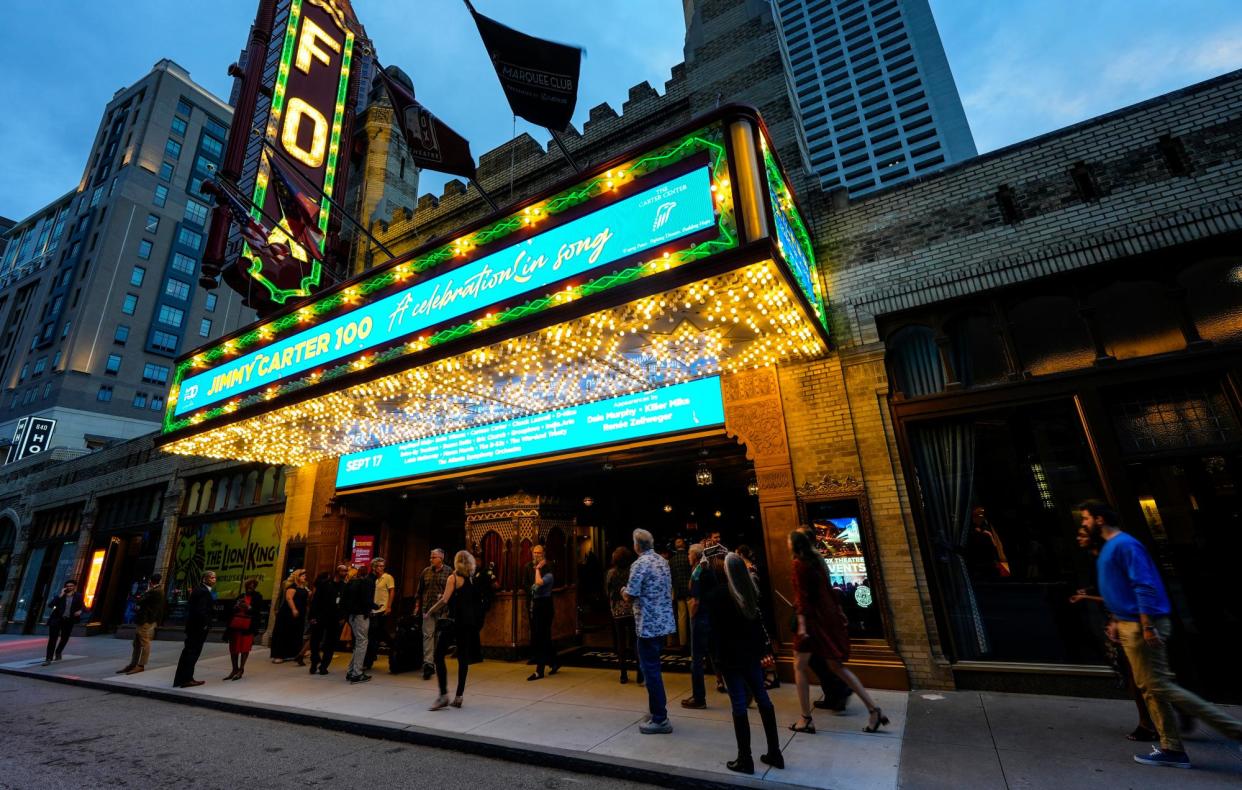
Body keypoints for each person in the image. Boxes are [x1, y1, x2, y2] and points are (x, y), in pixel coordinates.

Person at [1081, 500, 1242, 769]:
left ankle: (1234, 730)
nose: (1083, 524)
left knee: (1159, 687)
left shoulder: (1125, 545)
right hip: (1129, 623)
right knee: (1150, 688)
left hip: (1143, 625)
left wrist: (1146, 624)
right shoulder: (1111, 547)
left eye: (1086, 519)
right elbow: (1120, 588)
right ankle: (1172, 748)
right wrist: (1116, 619)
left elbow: (1143, 585)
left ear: (1099, 520)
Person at [788, 530, 887, 734]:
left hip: (813, 621)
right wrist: (839, 612)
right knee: (836, 666)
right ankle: (873, 709)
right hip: (828, 619)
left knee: (799, 666)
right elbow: (830, 591)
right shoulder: (817, 561)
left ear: (795, 545)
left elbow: (803, 599)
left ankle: (805, 718)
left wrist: (802, 626)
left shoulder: (799, 564)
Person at [1067, 525, 1157, 742]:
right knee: (1135, 675)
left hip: (1124, 623)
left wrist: (1112, 616)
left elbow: (1126, 593)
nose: (1078, 537)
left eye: (1082, 533)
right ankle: (1157, 720)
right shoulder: (1100, 561)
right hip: (1117, 621)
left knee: (1138, 677)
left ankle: (1152, 722)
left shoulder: (1113, 557)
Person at [707, 553, 784, 774]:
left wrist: (717, 662)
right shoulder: (751, 591)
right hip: (752, 655)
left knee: (739, 704)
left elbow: (714, 632)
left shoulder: (718, 596)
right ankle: (775, 752)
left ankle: (745, 759)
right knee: (762, 698)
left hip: (731, 658)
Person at [623, 528, 676, 734]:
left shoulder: (639, 564)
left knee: (650, 671)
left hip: (647, 625)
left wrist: (622, 591)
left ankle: (660, 718)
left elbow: (630, 594)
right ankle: (656, 711)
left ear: (637, 546)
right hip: (663, 624)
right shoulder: (663, 561)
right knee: (654, 669)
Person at [796, 525, 852, 713]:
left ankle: (839, 689)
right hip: (819, 614)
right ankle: (835, 692)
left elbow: (812, 592)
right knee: (820, 656)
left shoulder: (808, 561)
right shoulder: (811, 559)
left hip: (816, 616)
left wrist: (802, 621)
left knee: (816, 658)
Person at [426, 550, 483, 710]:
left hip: (454, 622)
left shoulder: (453, 577)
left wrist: (429, 611)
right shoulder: (471, 579)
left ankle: (443, 694)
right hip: (468, 624)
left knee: (438, 655)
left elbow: (445, 599)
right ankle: (459, 696)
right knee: (463, 659)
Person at [736, 545, 780, 691]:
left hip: (757, 612)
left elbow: (753, 593)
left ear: (741, 555)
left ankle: (771, 674)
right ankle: (767, 673)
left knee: (765, 644)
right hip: (757, 611)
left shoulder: (750, 571)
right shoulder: (751, 569)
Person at [605, 546, 642, 685]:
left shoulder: (611, 573)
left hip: (618, 610)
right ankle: (640, 672)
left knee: (620, 642)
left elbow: (607, 591)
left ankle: (623, 674)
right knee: (635, 641)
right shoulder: (633, 571)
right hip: (632, 609)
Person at [173, 571, 216, 688]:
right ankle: (187, 679)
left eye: (215, 577)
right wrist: (205, 625)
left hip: (193, 627)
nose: (214, 579)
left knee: (188, 652)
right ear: (204, 579)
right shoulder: (203, 591)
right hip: (197, 628)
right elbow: (201, 611)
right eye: (211, 577)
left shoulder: (200, 590)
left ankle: (181, 679)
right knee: (192, 653)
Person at [414, 549, 451, 680]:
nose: (431, 559)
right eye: (430, 557)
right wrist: (417, 606)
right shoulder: (426, 571)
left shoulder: (449, 572)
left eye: (433, 557)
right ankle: (428, 665)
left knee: (438, 636)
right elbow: (420, 590)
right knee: (428, 635)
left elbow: (452, 592)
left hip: (442, 611)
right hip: (427, 609)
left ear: (441, 558)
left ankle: (435, 660)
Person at [683, 542, 712, 708]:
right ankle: (745, 689)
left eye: (689, 554)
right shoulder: (706, 569)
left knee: (696, 660)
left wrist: (692, 616)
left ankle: (698, 697)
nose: (688, 556)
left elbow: (695, 600)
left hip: (700, 618)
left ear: (695, 555)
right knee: (716, 656)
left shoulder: (697, 573)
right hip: (710, 616)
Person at [118, 574, 165, 675]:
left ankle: (141, 665)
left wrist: (143, 596)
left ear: (150, 581)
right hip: (143, 619)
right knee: (136, 643)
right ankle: (133, 664)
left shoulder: (155, 591)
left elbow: (140, 600)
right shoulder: (155, 590)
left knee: (144, 642)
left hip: (146, 619)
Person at [525, 544, 559, 680]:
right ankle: (554, 661)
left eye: (539, 553)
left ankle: (540, 670)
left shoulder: (548, 567)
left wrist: (538, 569)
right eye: (535, 553)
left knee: (542, 636)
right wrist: (532, 590)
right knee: (541, 636)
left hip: (545, 604)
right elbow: (527, 584)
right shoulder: (527, 567)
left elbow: (539, 584)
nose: (536, 555)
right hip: (534, 603)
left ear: (543, 554)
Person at [309, 564, 348, 675]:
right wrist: (312, 616)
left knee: (330, 643)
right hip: (320, 616)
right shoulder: (324, 584)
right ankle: (314, 660)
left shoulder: (344, 586)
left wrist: (343, 617)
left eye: (346, 571)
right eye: (343, 571)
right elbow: (315, 600)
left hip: (335, 618)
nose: (345, 573)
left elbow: (344, 603)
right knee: (315, 640)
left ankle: (324, 666)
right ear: (337, 572)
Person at [344, 562, 379, 683]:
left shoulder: (351, 583)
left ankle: (351, 670)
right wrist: (376, 606)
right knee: (362, 642)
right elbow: (366, 600)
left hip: (352, 616)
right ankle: (357, 673)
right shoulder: (367, 583)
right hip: (361, 616)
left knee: (359, 643)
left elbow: (344, 599)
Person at [223, 579, 264, 680]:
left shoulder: (257, 597)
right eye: (249, 586)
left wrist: (249, 607)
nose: (250, 588)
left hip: (248, 626)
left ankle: (241, 669)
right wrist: (237, 606)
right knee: (234, 648)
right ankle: (234, 669)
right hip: (236, 625)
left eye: (253, 586)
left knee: (244, 648)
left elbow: (257, 612)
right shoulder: (241, 596)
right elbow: (231, 610)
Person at [364, 557, 396, 672]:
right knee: (374, 634)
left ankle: (393, 646)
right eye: (379, 566)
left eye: (383, 566)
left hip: (382, 609)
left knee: (376, 632)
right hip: (371, 609)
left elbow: (392, 591)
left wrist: (389, 606)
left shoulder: (387, 577)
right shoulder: (371, 578)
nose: (381, 568)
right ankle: (370, 658)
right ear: (374, 567)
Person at [271, 569, 309, 663]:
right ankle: (279, 655)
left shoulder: (303, 587)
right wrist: (294, 609)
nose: (305, 577)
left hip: (300, 614)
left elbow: (308, 594)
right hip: (288, 613)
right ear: (297, 577)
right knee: (284, 632)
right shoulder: (291, 587)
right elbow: (289, 598)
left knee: (295, 633)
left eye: (305, 575)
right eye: (303, 575)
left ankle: (292, 653)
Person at [43, 580, 85, 665]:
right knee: (52, 639)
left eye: (71, 586)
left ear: (74, 587)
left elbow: (83, 606)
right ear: (65, 587)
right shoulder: (59, 595)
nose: (69, 587)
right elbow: (50, 605)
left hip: (68, 620)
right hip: (56, 620)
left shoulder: (78, 596)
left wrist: (80, 611)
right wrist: (60, 595)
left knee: (65, 638)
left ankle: (58, 652)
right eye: (68, 586)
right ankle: (48, 658)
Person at [669, 537, 692, 650]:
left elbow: (671, 577)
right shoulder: (689, 557)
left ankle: (682, 642)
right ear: (685, 545)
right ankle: (693, 639)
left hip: (678, 591)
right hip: (690, 590)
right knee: (692, 615)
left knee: (681, 617)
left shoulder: (672, 560)